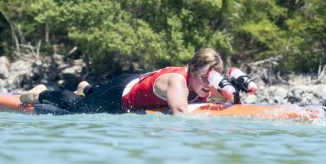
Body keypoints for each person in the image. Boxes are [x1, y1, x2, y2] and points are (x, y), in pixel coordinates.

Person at [19, 48, 257, 115]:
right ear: (192, 69)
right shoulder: (178, 82)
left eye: (212, 78)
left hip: (136, 81)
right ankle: (41, 93)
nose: (208, 83)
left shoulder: (204, 82)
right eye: (204, 76)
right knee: (80, 110)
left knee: (91, 98)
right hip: (121, 94)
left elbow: (228, 102)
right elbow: (180, 114)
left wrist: (233, 93)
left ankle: (88, 88)